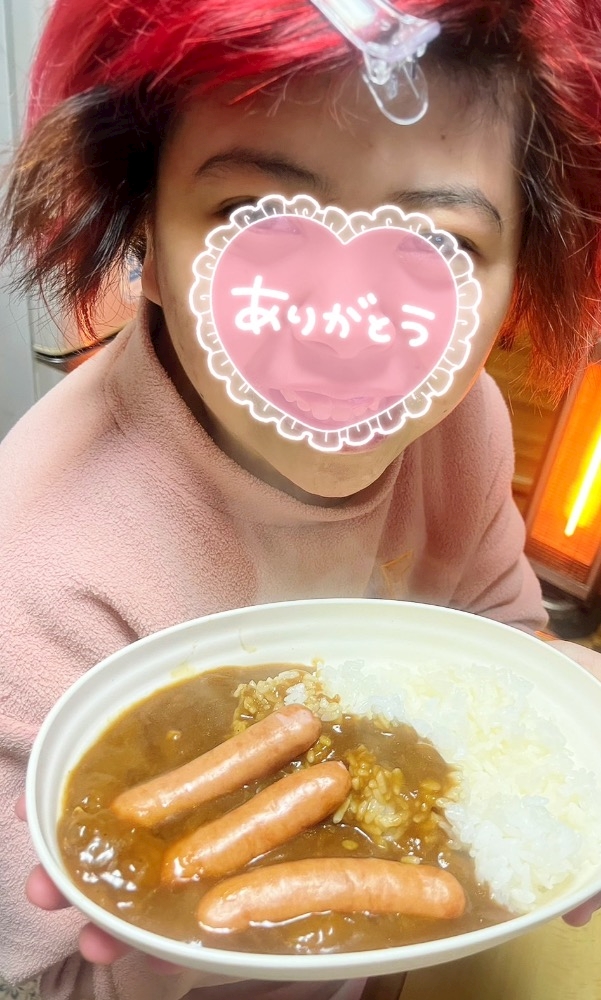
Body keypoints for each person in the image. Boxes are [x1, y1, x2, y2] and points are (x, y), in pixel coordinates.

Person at [2, 0, 601, 997]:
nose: (340, 329)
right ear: (144, 227)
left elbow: (496, 637)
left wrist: (556, 757)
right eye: (256, 218)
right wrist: (171, 931)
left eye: (439, 245)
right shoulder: (33, 570)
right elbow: (39, 977)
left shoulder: (464, 426)